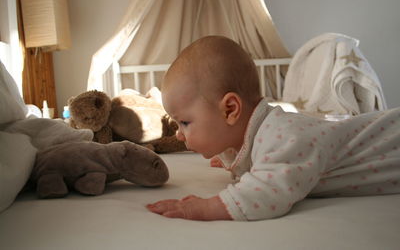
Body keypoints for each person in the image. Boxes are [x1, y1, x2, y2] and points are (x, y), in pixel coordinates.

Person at [146, 35, 400, 221]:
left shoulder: (285, 135)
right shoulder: (261, 135)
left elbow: (269, 192)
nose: (179, 134)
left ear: (230, 110)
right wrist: (233, 157)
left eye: (185, 122)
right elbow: (260, 160)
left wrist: (205, 208)